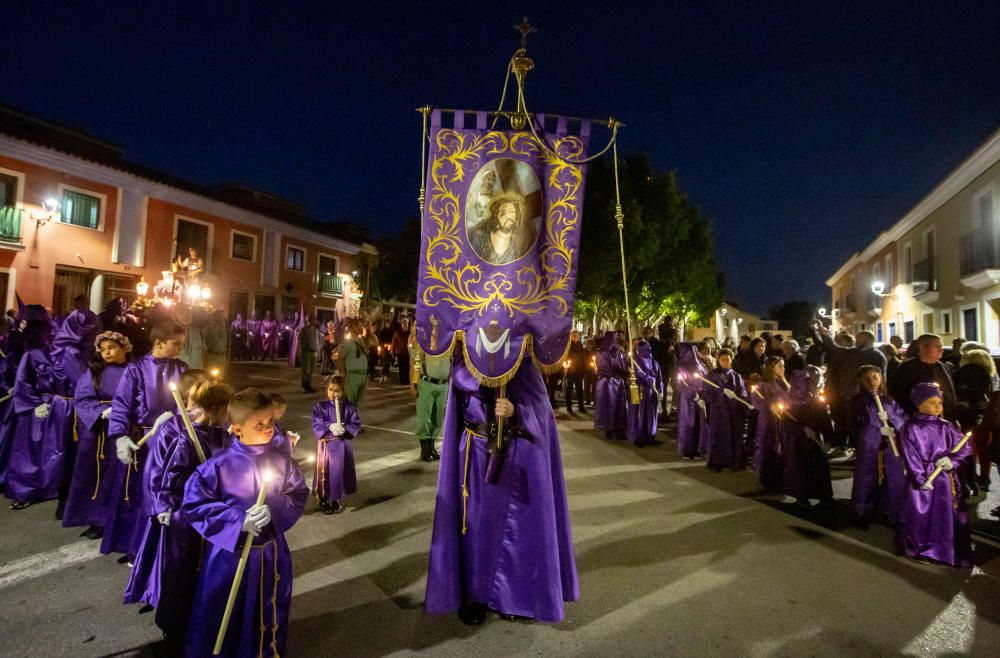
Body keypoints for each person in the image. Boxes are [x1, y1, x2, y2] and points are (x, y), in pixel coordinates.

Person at [424, 353, 578, 625]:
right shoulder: (465, 359)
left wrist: (516, 410)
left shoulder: (522, 362)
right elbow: (457, 404)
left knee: (506, 528)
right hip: (471, 455)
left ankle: (508, 596)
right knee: (472, 527)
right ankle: (475, 596)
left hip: (508, 456)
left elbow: (542, 410)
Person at [182, 388, 308, 657]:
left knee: (268, 609)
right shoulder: (219, 466)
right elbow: (195, 504)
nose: (268, 429)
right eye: (259, 425)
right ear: (237, 429)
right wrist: (237, 520)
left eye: (271, 422)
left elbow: (296, 492)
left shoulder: (281, 461)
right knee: (226, 611)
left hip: (271, 554)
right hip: (231, 557)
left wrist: (273, 509)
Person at [125, 379, 233, 651]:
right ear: (216, 409)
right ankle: (174, 628)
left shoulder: (222, 434)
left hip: (214, 515)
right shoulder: (185, 437)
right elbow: (166, 476)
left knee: (209, 573)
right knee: (181, 571)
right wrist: (165, 505)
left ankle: (203, 623)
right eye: (226, 410)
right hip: (186, 518)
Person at [103, 321, 188, 560]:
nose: (180, 349)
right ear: (158, 343)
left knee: (162, 493)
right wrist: (119, 436)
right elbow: (122, 404)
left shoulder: (182, 369)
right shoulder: (136, 369)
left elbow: (191, 401)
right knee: (137, 493)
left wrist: (176, 414)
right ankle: (135, 547)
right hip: (144, 439)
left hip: (171, 441)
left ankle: (158, 549)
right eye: (176, 344)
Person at [63, 331, 132, 539]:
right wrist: (101, 412)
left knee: (119, 476)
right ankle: (95, 519)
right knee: (95, 475)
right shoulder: (93, 372)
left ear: (124, 348)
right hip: (98, 434)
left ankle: (115, 520)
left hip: (124, 430)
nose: (106, 353)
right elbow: (82, 399)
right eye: (102, 349)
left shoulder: (133, 370)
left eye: (111, 347)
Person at [897, 383, 973, 567]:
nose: (938, 406)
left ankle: (946, 549)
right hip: (924, 481)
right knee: (921, 515)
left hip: (946, 480)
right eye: (932, 402)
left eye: (940, 402)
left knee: (946, 515)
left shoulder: (948, 427)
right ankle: (917, 549)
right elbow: (910, 455)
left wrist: (952, 461)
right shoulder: (910, 427)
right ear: (918, 404)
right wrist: (921, 479)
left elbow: (964, 448)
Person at [5, 306, 69, 510]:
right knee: (30, 452)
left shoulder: (58, 352)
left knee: (51, 451)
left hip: (55, 405)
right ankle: (25, 490)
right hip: (35, 409)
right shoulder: (30, 354)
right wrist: (34, 405)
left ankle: (48, 486)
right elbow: (23, 382)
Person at [811, 322, 887, 456]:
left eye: (860, 338)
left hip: (864, 396)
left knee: (861, 425)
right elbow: (834, 348)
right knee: (843, 422)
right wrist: (823, 333)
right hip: (845, 394)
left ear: (868, 340)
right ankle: (845, 447)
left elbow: (880, 378)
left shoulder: (876, 356)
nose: (856, 341)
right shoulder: (851, 352)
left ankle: (861, 452)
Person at [848, 365, 907, 528]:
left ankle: (892, 511)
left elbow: (901, 419)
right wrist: (872, 431)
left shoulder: (889, 401)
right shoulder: (858, 401)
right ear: (860, 381)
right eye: (867, 378)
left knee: (894, 478)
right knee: (866, 477)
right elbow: (854, 425)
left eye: (875, 377)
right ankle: (863, 512)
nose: (871, 381)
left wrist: (893, 426)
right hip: (869, 446)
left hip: (890, 445)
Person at [779, 368, 835, 508]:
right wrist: (802, 429)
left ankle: (824, 496)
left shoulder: (816, 401)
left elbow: (825, 421)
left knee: (820, 468)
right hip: (798, 443)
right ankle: (801, 497)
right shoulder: (790, 404)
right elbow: (785, 424)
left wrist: (828, 439)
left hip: (814, 442)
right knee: (800, 471)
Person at [311, 375, 360, 514]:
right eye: (331, 390)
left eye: (337, 391)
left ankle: (335, 498)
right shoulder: (321, 407)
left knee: (338, 473)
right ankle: (323, 498)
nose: (333, 393)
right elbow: (317, 423)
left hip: (342, 446)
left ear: (343, 391)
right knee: (324, 472)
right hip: (326, 446)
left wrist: (345, 430)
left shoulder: (349, 408)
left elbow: (355, 423)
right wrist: (330, 427)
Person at [889, 334, 957, 420]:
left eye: (941, 347)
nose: (941, 350)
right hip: (919, 421)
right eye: (937, 347)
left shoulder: (943, 367)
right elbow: (898, 394)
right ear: (923, 347)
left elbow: (950, 392)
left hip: (945, 420)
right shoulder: (908, 368)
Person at [704, 349, 750, 470]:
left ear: (731, 360)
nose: (725, 362)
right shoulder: (712, 375)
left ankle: (733, 461)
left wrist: (741, 401)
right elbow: (707, 393)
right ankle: (718, 461)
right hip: (719, 411)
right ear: (718, 360)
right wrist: (720, 392)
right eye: (722, 359)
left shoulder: (736, 376)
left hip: (733, 411)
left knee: (734, 436)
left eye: (727, 359)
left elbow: (742, 392)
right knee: (719, 435)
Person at [467, 192, 537, 265]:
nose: (507, 216)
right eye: (502, 213)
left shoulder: (516, 245)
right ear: (495, 217)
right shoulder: (477, 237)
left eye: (512, 211)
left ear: (517, 216)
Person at [751, 357, 788, 490]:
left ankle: (779, 474)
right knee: (768, 446)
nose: (783, 369)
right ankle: (766, 475)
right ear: (772, 368)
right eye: (780, 366)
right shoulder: (764, 385)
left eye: (783, 366)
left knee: (781, 447)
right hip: (768, 421)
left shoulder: (783, 383)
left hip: (782, 420)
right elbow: (757, 401)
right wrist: (769, 406)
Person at [410, 335, 449, 462]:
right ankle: (425, 450)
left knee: (437, 418)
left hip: (443, 384)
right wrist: (413, 385)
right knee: (424, 417)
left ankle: (432, 447)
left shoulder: (447, 342)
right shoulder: (422, 342)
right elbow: (414, 365)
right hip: (426, 384)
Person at [676, 343, 711, 459]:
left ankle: (700, 449)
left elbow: (706, 381)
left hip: (700, 398)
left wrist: (703, 395)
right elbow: (681, 384)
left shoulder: (701, 366)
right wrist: (693, 394)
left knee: (700, 425)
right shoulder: (681, 368)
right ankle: (688, 449)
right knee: (689, 424)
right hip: (688, 400)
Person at [626, 339, 663, 447]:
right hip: (640, 392)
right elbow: (635, 377)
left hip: (651, 394)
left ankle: (650, 436)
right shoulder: (635, 363)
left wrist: (660, 390)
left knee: (651, 415)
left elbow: (659, 377)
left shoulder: (654, 363)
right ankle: (639, 437)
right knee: (640, 415)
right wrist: (644, 379)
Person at [594, 330, 628, 440]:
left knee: (607, 405)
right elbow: (621, 367)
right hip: (615, 382)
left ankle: (609, 429)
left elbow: (597, 367)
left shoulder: (599, 352)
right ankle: (617, 429)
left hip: (603, 382)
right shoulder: (617, 352)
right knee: (617, 405)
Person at [337, 319, 369, 406]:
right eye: (358, 325)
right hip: (352, 376)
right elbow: (339, 358)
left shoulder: (362, 341)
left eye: (361, 325)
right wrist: (342, 375)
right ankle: (348, 419)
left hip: (363, 376)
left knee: (357, 404)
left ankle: (354, 419)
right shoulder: (347, 343)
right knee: (349, 403)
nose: (360, 327)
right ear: (352, 328)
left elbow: (375, 342)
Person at [565, 330, 587, 414]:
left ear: (578, 336)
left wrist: (584, 370)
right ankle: (569, 406)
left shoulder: (581, 346)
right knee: (569, 390)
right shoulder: (568, 346)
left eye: (576, 335)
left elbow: (583, 359)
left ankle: (581, 406)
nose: (574, 336)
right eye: (573, 335)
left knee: (579, 390)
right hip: (570, 371)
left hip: (579, 371)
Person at [298, 315, 318, 393]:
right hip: (306, 351)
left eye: (315, 319)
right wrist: (299, 351)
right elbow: (300, 340)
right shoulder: (304, 330)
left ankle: (309, 385)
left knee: (312, 370)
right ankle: (304, 386)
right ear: (309, 320)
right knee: (305, 370)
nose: (314, 321)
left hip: (314, 352)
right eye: (312, 319)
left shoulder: (316, 329)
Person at [391, 318, 412, 386]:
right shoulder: (398, 333)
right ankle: (402, 380)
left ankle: (407, 379)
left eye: (406, 323)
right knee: (401, 367)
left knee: (407, 367)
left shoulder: (410, 333)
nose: (405, 325)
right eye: (403, 323)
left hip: (408, 352)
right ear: (401, 324)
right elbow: (394, 342)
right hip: (400, 352)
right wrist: (392, 350)